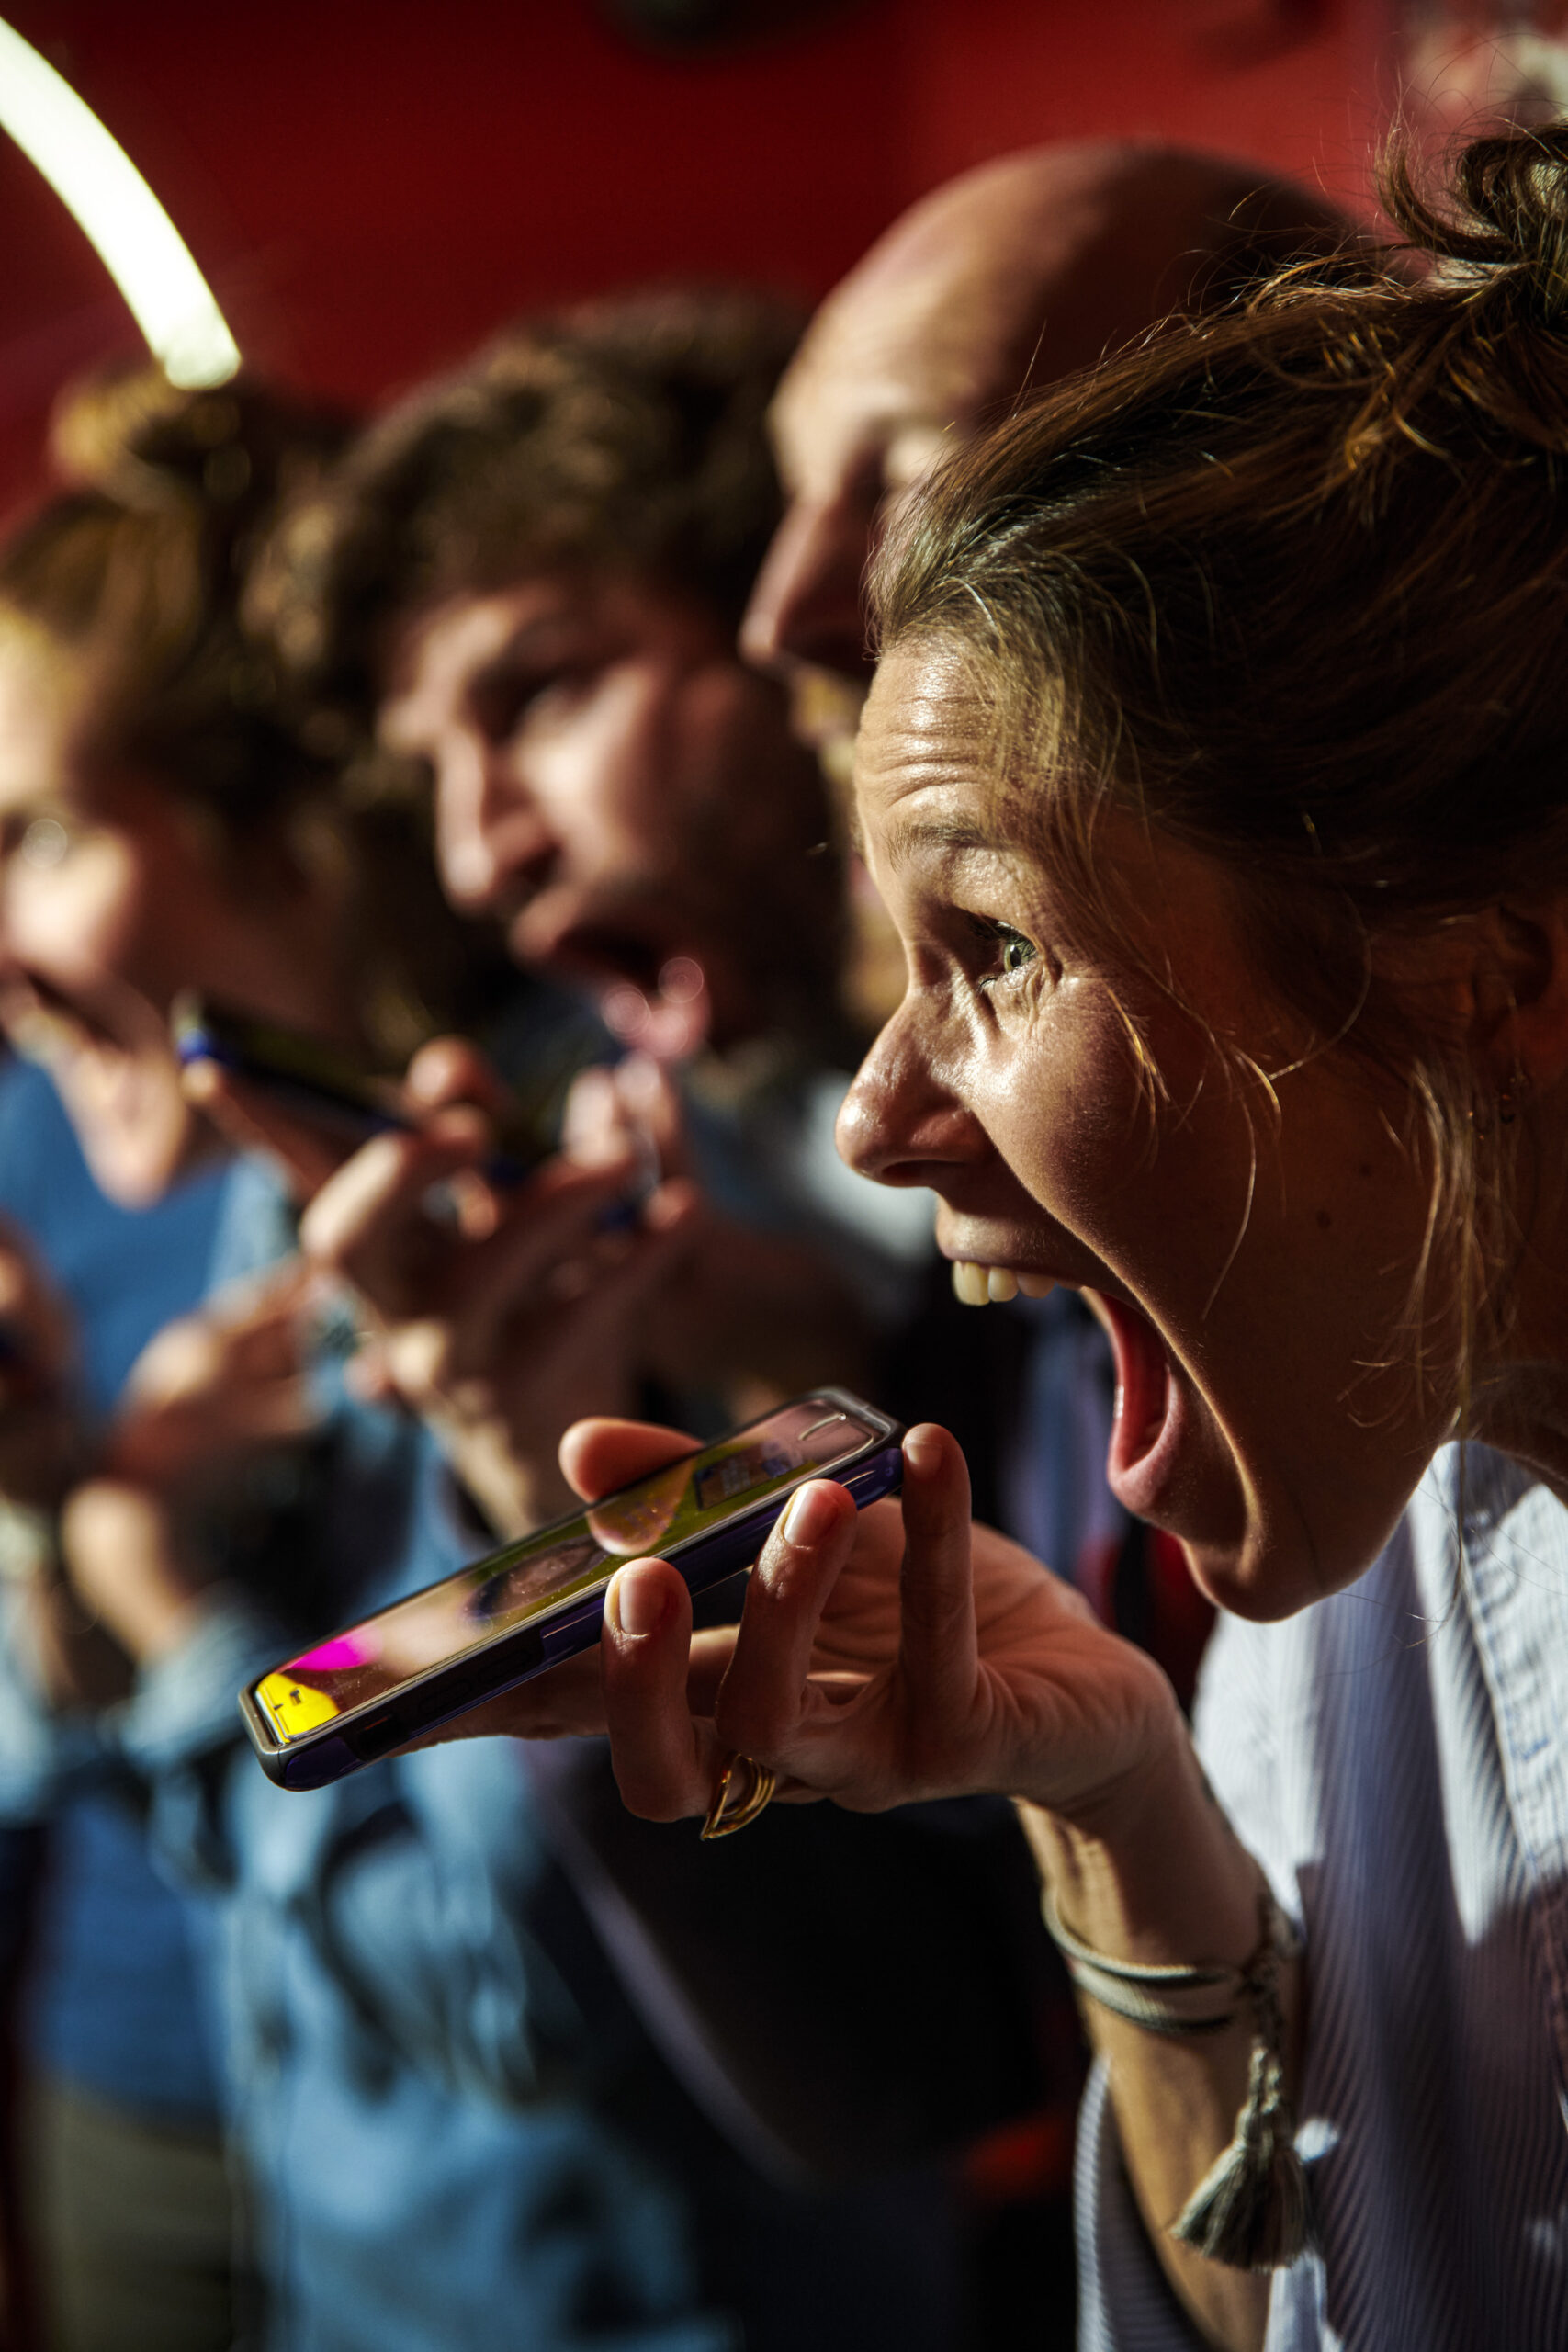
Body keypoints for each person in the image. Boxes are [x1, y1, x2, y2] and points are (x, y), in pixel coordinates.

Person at [457, 121, 1568, 2351]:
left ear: (1473, 969)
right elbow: (1255, 2310)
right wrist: (1116, 1797)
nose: (878, 1118)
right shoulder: (1362, 1550)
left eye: (986, 942)